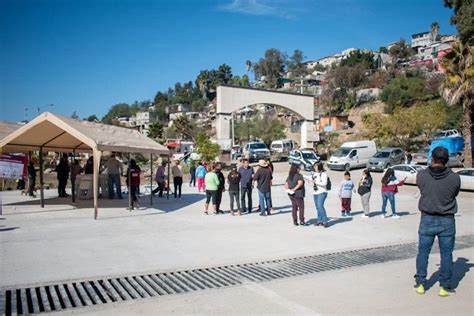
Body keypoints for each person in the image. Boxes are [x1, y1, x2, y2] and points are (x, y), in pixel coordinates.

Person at [414, 146, 461, 297]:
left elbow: (422, 189)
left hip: (427, 218)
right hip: (446, 220)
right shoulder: (454, 178)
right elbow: (454, 193)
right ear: (446, 160)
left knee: (423, 252)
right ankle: (444, 286)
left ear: (432, 158)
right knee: (446, 255)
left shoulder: (421, 175)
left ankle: (421, 283)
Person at [312, 162, 330, 227]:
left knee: (320, 206)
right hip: (315, 193)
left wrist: (316, 182)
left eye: (316, 166)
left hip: (322, 192)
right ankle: (319, 221)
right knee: (317, 208)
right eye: (314, 166)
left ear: (319, 166)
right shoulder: (314, 174)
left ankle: (325, 221)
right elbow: (311, 179)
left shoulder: (324, 174)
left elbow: (324, 183)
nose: (314, 167)